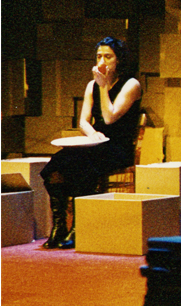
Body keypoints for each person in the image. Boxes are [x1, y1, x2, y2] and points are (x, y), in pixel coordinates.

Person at [40, 37, 143, 249]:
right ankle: (59, 225)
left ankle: (79, 227)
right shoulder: (91, 85)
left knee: (82, 165)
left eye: (108, 57)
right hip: (94, 143)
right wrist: (92, 133)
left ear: (119, 60)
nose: (102, 61)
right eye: (98, 56)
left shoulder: (131, 84)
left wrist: (103, 87)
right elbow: (83, 122)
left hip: (117, 146)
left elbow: (110, 117)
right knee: (56, 164)